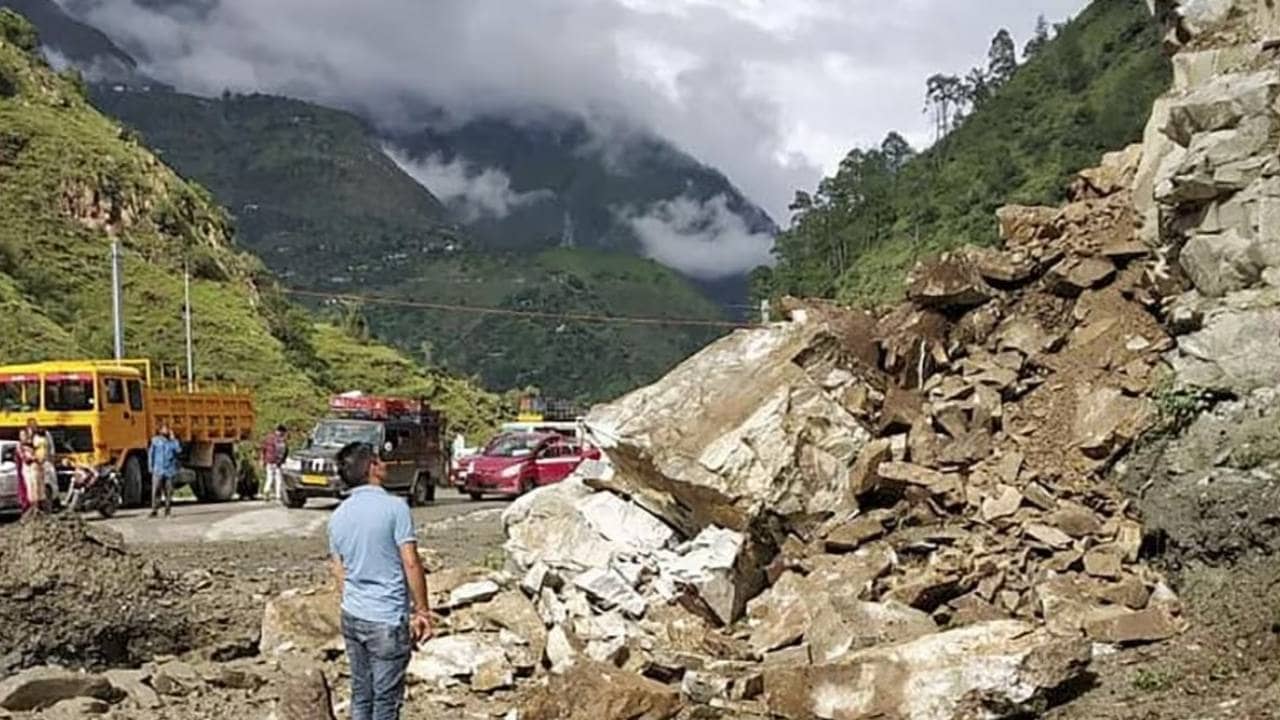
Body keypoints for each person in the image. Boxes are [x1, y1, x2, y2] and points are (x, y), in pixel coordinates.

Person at [328, 442, 431, 720]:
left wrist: (352, 600)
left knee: (361, 693)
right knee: (386, 701)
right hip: (386, 618)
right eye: (380, 460)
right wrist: (422, 610)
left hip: (353, 614)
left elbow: (339, 571)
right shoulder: (395, 508)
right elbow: (410, 561)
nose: (385, 463)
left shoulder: (338, 516)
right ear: (372, 467)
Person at [147, 422, 180, 518]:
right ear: (160, 430)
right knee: (156, 490)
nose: (166, 431)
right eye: (164, 429)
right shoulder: (155, 441)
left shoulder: (172, 442)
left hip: (169, 470)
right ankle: (154, 510)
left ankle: (167, 511)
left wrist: (174, 439)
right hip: (158, 469)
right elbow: (151, 454)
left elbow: (178, 450)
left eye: (167, 429)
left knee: (168, 492)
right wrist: (151, 467)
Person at [260, 425, 288, 503]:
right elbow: (283, 451)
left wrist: (262, 460)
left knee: (269, 477)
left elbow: (263, 449)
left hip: (269, 461)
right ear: (282, 431)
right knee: (278, 478)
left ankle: (266, 491)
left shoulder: (268, 438)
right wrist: (282, 461)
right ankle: (278, 495)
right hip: (277, 462)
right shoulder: (281, 440)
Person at [25, 419, 47, 512]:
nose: (35, 427)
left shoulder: (41, 436)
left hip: (41, 464)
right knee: (34, 485)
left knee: (40, 486)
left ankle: (40, 508)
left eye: (35, 425)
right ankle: (35, 508)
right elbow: (27, 449)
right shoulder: (30, 438)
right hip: (34, 464)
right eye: (32, 425)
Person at [15, 428, 30, 515]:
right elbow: (22, 457)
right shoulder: (19, 446)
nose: (23, 437)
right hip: (21, 471)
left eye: (24, 435)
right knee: (23, 490)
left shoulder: (29, 445)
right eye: (21, 435)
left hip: (29, 471)